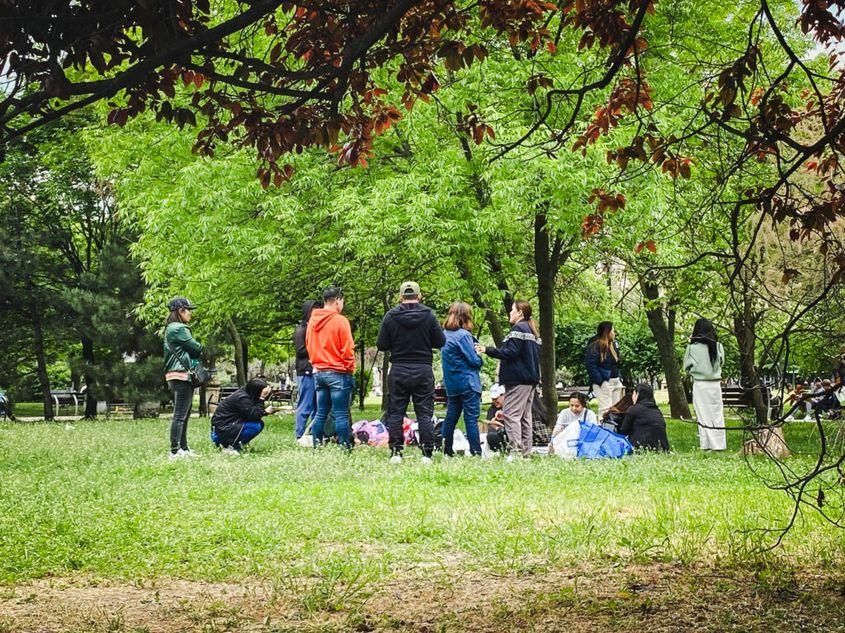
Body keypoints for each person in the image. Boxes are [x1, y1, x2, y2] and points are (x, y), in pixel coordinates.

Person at [377, 281, 446, 464]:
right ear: (419, 296)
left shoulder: (390, 316)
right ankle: (426, 454)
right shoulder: (429, 316)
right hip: (422, 369)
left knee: (396, 413)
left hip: (399, 369)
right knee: (424, 413)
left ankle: (396, 453)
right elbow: (440, 342)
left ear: (400, 297)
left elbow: (382, 345)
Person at [476, 300, 541, 458]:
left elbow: (511, 352)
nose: (510, 313)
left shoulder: (518, 328)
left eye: (512, 310)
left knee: (511, 414)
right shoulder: (532, 331)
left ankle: (515, 451)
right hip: (530, 379)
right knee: (525, 417)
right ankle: (526, 451)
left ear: (520, 313)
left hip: (518, 380)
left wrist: (487, 350)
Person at [306, 286, 355, 450]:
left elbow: (308, 344)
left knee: (321, 413)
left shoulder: (312, 321)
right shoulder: (340, 321)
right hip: (338, 372)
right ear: (337, 301)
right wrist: (349, 368)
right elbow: (347, 349)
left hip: (319, 372)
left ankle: (317, 446)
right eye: (343, 302)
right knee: (341, 414)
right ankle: (345, 447)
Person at [440, 302, 483, 457]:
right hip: (468, 382)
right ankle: (476, 452)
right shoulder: (464, 335)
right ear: (466, 316)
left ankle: (446, 450)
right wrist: (480, 357)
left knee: (451, 417)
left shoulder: (444, 335)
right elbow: (474, 361)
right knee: (471, 419)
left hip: (452, 384)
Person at [163, 296, 203, 460]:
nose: (190, 314)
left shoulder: (171, 328)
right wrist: (199, 348)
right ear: (181, 311)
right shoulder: (179, 328)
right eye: (189, 310)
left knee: (184, 414)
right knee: (180, 415)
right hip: (181, 375)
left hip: (176, 375)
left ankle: (183, 448)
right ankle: (174, 450)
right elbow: (196, 348)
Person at [682, 318, 726, 451]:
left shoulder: (691, 348)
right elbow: (722, 363)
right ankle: (719, 444)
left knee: (703, 416)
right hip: (715, 385)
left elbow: (686, 368)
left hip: (700, 385)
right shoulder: (718, 347)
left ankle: (706, 444)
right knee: (717, 415)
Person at [211, 378, 276, 453]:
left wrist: (265, 411)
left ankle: (236, 444)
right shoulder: (242, 398)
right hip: (220, 432)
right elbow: (254, 416)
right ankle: (230, 445)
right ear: (257, 390)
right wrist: (262, 398)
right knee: (255, 426)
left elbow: (250, 412)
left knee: (259, 424)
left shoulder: (247, 394)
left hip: (226, 427)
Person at [585, 321, 624, 420]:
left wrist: (619, 377)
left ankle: (615, 432)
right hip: (604, 382)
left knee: (617, 410)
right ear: (607, 332)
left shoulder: (613, 345)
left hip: (615, 380)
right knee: (605, 410)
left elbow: (616, 363)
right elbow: (591, 365)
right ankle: (604, 432)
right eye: (613, 331)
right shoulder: (595, 346)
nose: (614, 333)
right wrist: (601, 381)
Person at [293, 299, 320, 439]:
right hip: (305, 371)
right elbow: (300, 351)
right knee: (305, 404)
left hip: (316, 370)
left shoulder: (316, 329)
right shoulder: (301, 330)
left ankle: (314, 434)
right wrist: (317, 349)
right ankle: (299, 434)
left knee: (317, 406)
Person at [619, 383, 670, 451]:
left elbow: (623, 431)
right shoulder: (657, 411)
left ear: (637, 394)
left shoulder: (633, 409)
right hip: (662, 447)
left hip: (641, 447)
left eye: (634, 394)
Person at [486, 384, 508, 453]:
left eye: (496, 399)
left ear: (503, 395)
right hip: (498, 435)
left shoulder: (510, 407)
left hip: (511, 434)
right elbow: (489, 422)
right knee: (491, 436)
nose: (494, 401)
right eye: (492, 399)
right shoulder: (491, 409)